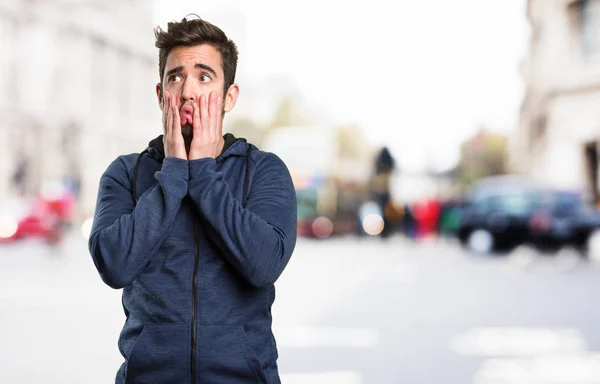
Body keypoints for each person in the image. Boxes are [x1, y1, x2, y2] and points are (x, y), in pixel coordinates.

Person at [88, 16, 298, 384]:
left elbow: (264, 265)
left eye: (204, 77)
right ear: (160, 94)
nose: (187, 91)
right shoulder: (125, 173)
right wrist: (172, 174)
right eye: (175, 77)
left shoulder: (264, 171)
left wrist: (202, 170)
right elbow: (113, 266)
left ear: (230, 96)